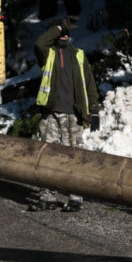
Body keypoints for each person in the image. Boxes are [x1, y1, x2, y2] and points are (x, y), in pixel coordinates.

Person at [29, 16, 100, 212]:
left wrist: (94, 111)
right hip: (50, 114)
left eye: (68, 33)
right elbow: (39, 42)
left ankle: (75, 197)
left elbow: (90, 84)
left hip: (73, 115)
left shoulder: (78, 55)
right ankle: (48, 197)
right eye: (61, 32)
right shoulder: (47, 53)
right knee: (47, 157)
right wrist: (60, 26)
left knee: (73, 157)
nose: (65, 35)